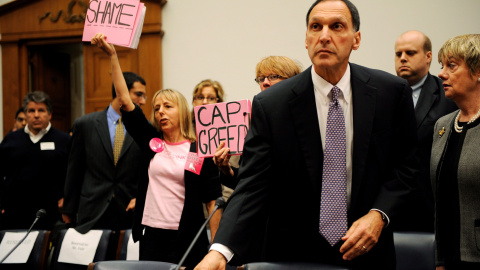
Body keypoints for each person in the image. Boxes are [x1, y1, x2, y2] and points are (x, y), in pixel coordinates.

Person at [195, 0, 419, 269]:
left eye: (336, 26)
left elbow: (406, 168)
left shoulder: (390, 93)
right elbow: (252, 185)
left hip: (367, 251)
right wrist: (219, 252)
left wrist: (379, 215)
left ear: (356, 39)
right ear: (306, 38)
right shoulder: (272, 105)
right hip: (292, 254)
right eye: (316, 27)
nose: (324, 36)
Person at [92, 33, 223, 268]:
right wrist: (113, 55)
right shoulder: (153, 143)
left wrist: (216, 248)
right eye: (157, 107)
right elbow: (124, 100)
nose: (160, 111)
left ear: (182, 111)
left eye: (167, 106)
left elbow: (212, 201)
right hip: (152, 235)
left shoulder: (199, 149)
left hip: (187, 237)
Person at [62, 71, 147, 233]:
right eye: (138, 94)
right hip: (93, 210)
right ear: (120, 91)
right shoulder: (85, 124)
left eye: (144, 96)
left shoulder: (144, 128)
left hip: (129, 211)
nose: (142, 101)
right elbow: (74, 169)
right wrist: (68, 210)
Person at [393, 30, 457, 232]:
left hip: (431, 206)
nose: (402, 58)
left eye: (410, 53)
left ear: (428, 56)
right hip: (390, 204)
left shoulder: (448, 95)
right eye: (398, 54)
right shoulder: (384, 92)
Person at [430, 34, 480, 270]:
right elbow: (441, 199)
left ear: (478, 71)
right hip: (448, 257)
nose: (441, 73)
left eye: (451, 65)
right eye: (442, 66)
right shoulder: (443, 125)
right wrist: (440, 260)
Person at [214, 56, 302, 186]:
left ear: (292, 81)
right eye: (261, 79)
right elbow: (251, 180)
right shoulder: (253, 124)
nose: (265, 82)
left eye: (273, 76)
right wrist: (228, 171)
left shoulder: (304, 117)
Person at [0, 91, 70, 230]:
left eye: (41, 110)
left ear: (49, 114)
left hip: (51, 216)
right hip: (15, 215)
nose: (36, 115)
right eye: (31, 110)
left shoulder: (64, 140)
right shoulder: (11, 140)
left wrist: (66, 199)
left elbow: (74, 175)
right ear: (25, 114)